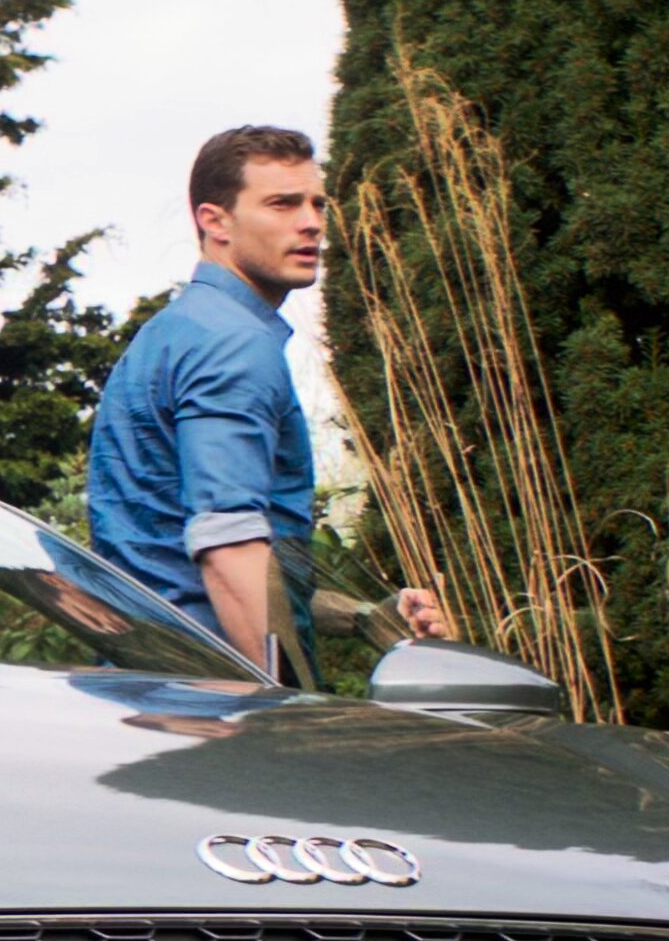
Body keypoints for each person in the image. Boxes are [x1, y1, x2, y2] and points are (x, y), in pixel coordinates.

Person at [85, 125, 443, 684]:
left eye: (317, 204)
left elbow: (183, 560)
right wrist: (286, 709)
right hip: (210, 702)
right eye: (282, 204)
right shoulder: (233, 343)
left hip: (155, 689)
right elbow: (226, 548)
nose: (312, 223)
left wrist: (363, 616)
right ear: (215, 221)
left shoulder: (178, 331)